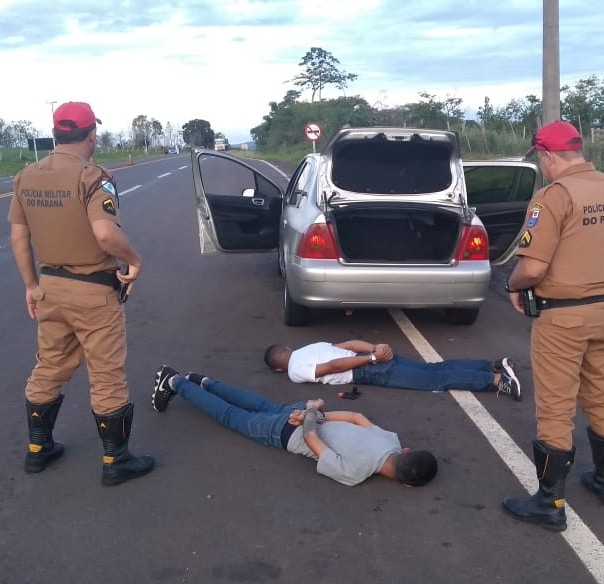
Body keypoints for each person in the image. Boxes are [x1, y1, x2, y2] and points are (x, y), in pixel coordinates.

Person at [501, 120, 604, 531]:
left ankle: (550, 503)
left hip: (563, 316)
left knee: (555, 404)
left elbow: (532, 268)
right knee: (603, 391)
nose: (543, 168)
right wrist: (598, 270)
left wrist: (511, 285)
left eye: (542, 161)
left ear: (548, 156)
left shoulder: (552, 197)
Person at [8, 101, 154, 486]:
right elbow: (105, 233)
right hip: (93, 294)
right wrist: (135, 260)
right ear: (91, 135)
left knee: (50, 366)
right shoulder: (93, 176)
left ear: (56, 135)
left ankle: (38, 449)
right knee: (106, 376)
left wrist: (31, 286)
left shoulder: (25, 177)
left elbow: (19, 238)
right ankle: (115, 459)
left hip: (50, 288)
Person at [151, 365, 438, 487]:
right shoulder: (355, 474)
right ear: (407, 485)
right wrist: (311, 415)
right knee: (231, 417)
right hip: (288, 432)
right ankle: (175, 381)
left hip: (300, 416)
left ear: (407, 451)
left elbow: (356, 418)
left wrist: (313, 412)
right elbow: (312, 439)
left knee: (262, 404)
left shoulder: (392, 442)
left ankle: (204, 382)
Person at [263, 340, 521, 400]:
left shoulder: (294, 371)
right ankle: (493, 365)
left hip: (368, 369)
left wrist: (371, 358)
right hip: (372, 358)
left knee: (436, 380)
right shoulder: (309, 347)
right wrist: (375, 348)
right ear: (286, 348)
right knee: (433, 369)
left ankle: (497, 380)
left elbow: (331, 367)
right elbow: (348, 343)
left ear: (278, 369)